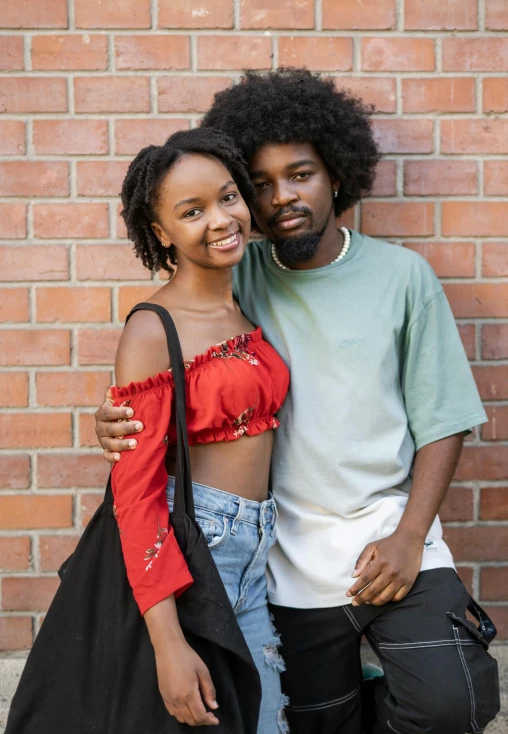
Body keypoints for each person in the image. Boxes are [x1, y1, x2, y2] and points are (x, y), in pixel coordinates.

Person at [95, 69, 500, 734]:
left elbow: (445, 421)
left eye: (302, 173)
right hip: (282, 564)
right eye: (259, 182)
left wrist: (407, 536)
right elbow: (168, 346)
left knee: (452, 701)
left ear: (336, 174)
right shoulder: (234, 273)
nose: (282, 197)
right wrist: (113, 417)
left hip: (392, 540)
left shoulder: (403, 277)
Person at [106, 127, 290, 732]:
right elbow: (135, 495)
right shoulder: (153, 329)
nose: (221, 219)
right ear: (161, 233)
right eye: (192, 212)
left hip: (256, 553)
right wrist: (167, 646)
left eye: (228, 196)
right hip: (197, 553)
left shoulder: (243, 301)